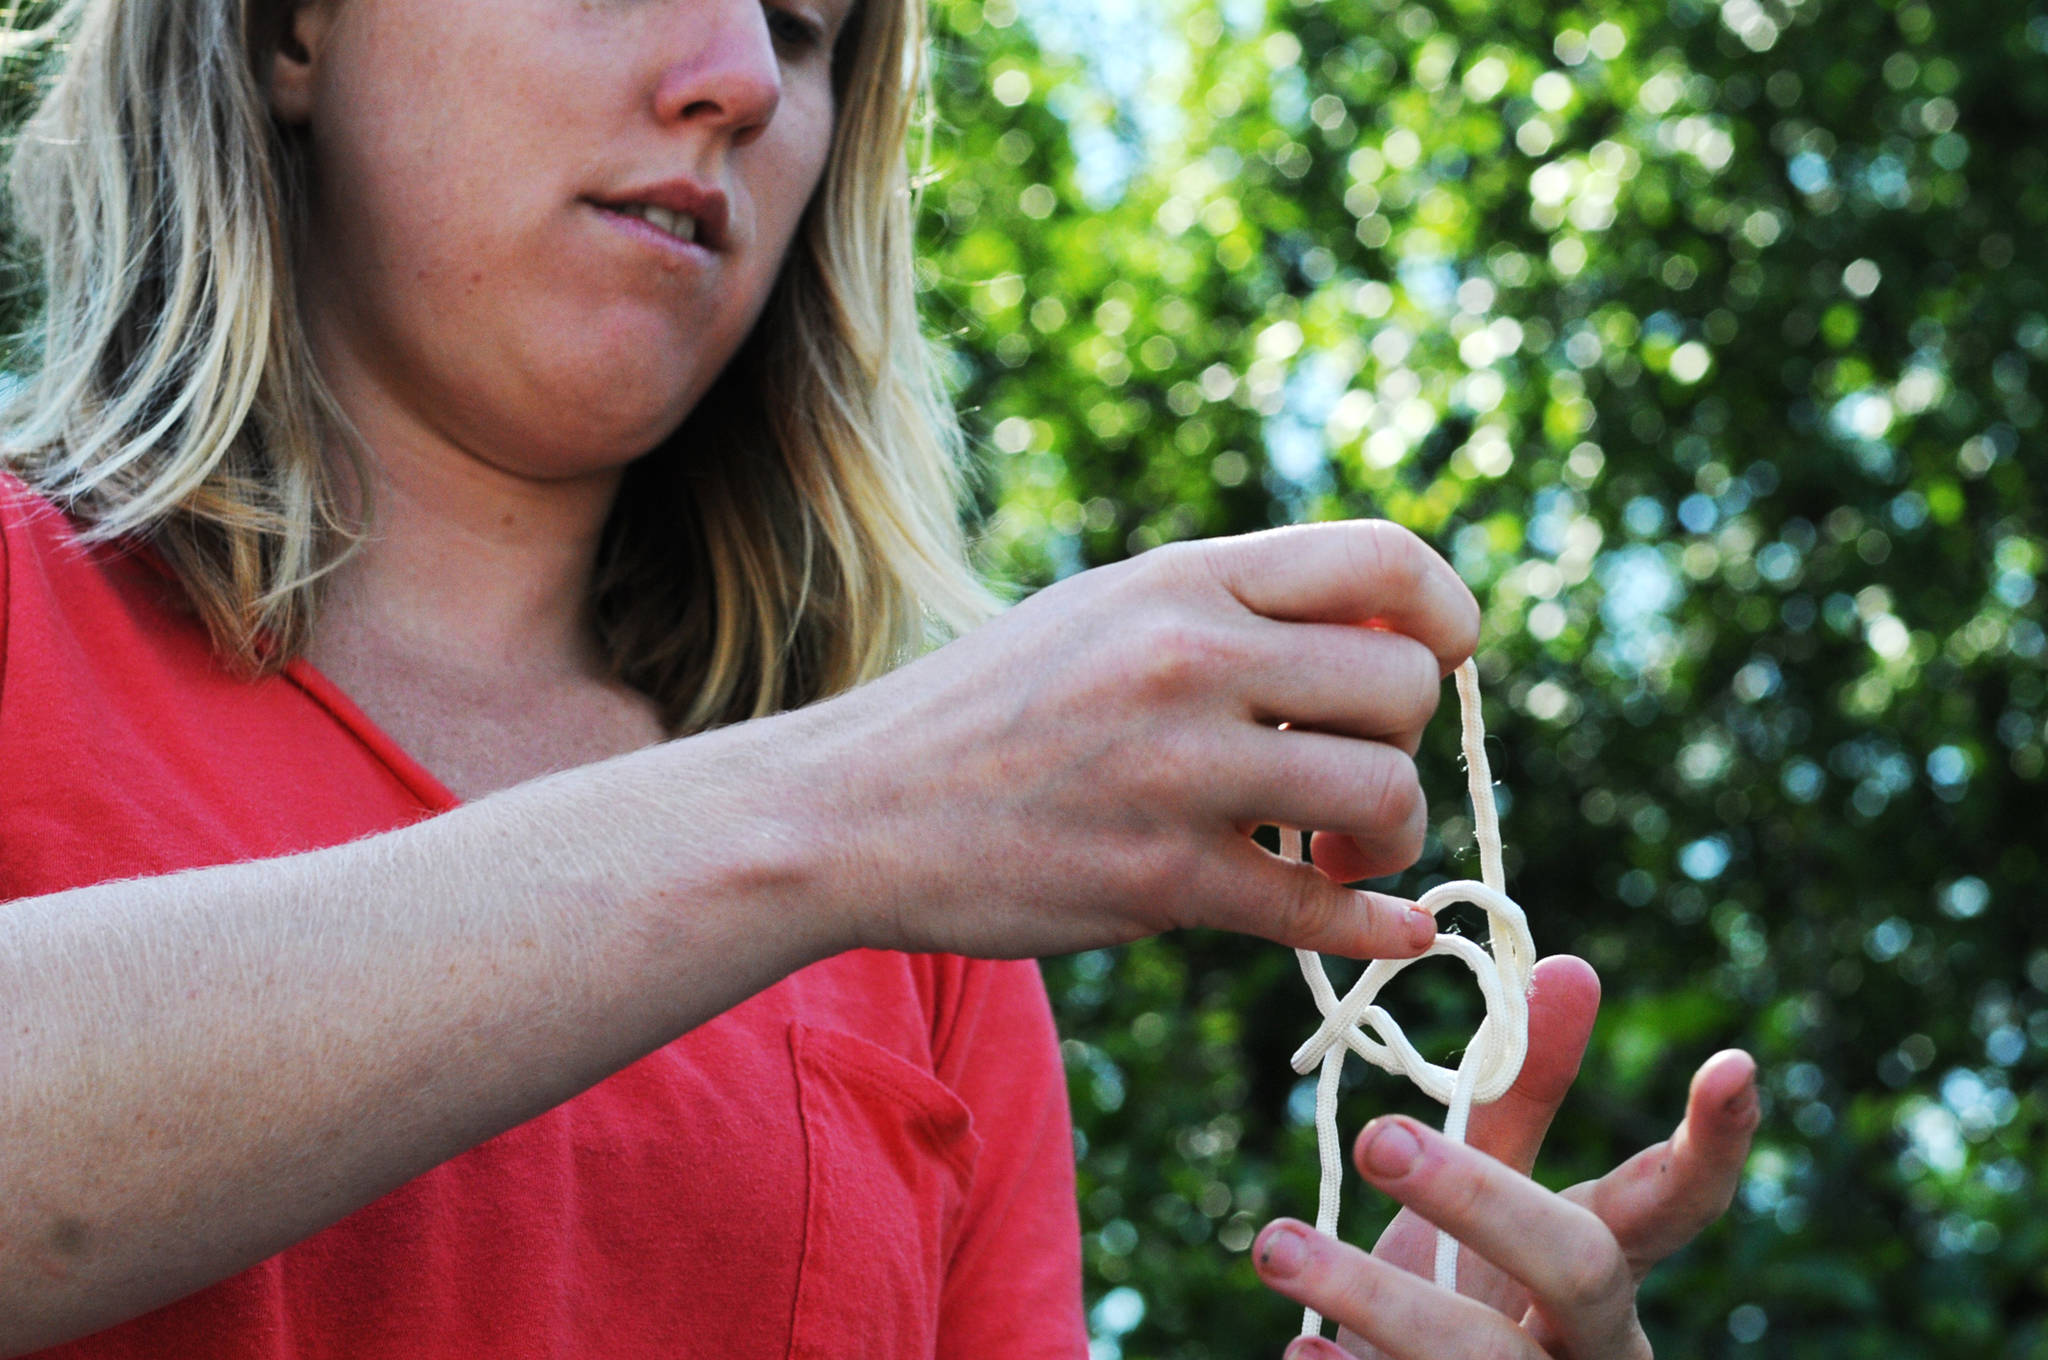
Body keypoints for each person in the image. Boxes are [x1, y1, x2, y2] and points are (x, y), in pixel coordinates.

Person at [0, 0, 1756, 1355]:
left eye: (805, 25)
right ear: (293, 26)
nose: (736, 76)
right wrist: (845, 802)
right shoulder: (879, 838)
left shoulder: (921, 936)